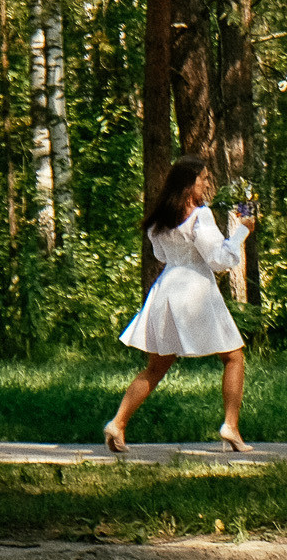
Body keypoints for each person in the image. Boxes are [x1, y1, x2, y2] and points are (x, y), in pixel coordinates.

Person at [104, 156, 256, 453]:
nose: (207, 184)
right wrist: (243, 230)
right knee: (234, 357)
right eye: (203, 179)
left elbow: (161, 254)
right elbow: (219, 261)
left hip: (167, 286)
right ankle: (231, 425)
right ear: (189, 184)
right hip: (195, 289)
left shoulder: (160, 218)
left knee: (157, 366)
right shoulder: (201, 216)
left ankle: (118, 422)